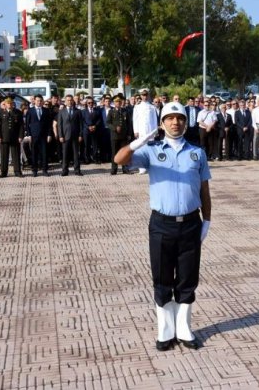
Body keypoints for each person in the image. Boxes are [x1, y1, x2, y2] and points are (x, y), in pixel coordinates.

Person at [114, 101, 212, 351]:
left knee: (188, 278)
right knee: (162, 278)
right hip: (161, 224)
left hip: (190, 223)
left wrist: (207, 220)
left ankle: (184, 328)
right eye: (169, 118)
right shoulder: (151, 150)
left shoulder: (196, 152)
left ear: (185, 122)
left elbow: (204, 190)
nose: (175, 122)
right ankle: (165, 330)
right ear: (162, 123)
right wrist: (139, 142)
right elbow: (119, 159)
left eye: (179, 118)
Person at [25, 94, 53, 177]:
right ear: (34, 101)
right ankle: (35, 170)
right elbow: (27, 124)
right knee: (34, 153)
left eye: (41, 101)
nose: (39, 102)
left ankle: (44, 170)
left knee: (44, 153)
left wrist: (49, 134)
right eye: (37, 100)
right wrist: (29, 134)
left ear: (42, 101)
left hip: (44, 136)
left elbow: (49, 124)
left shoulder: (46, 111)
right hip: (34, 135)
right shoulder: (30, 111)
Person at [0, 98, 25, 178]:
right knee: (4, 155)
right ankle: (4, 172)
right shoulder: (1, 112)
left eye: (11, 103)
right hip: (4, 137)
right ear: (5, 104)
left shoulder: (18, 112)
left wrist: (20, 136)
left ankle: (17, 171)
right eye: (8, 103)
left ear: (13, 104)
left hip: (15, 137)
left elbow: (21, 125)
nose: (9, 105)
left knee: (16, 155)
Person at [57, 94, 84, 176]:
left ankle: (77, 170)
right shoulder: (61, 112)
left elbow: (81, 124)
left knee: (76, 154)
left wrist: (80, 135)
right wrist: (61, 136)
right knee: (65, 154)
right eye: (68, 100)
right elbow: (59, 125)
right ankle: (65, 170)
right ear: (65, 102)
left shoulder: (78, 111)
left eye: (71, 100)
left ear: (73, 101)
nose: (69, 102)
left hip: (75, 136)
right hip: (65, 136)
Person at [106, 95, 132, 174]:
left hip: (123, 135)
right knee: (114, 152)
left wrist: (129, 134)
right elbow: (108, 123)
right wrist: (114, 128)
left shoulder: (125, 111)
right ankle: (114, 169)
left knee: (124, 153)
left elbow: (129, 124)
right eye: (117, 102)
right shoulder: (111, 111)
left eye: (119, 102)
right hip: (115, 136)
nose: (118, 103)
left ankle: (125, 168)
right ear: (114, 103)